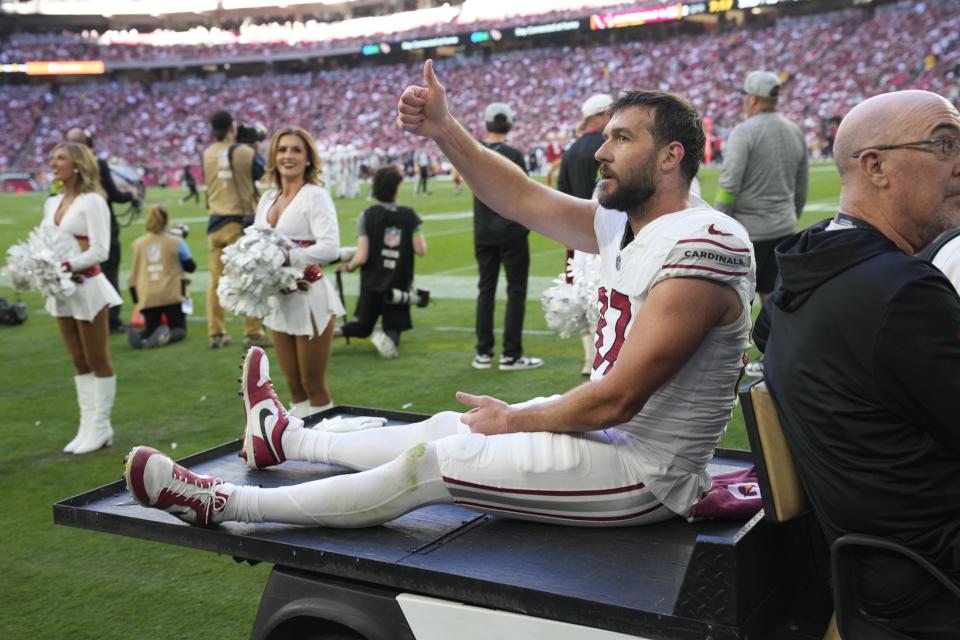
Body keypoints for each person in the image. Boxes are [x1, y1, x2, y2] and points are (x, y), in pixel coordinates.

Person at [123, 61, 756, 534]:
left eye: (621, 138)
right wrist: (444, 129)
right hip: (615, 437)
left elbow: (619, 398)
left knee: (435, 461)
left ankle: (224, 505)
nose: (600, 150)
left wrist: (514, 418)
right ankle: (285, 440)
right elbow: (522, 198)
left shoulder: (704, 242)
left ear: (671, 155)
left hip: (646, 474)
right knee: (448, 425)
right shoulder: (631, 221)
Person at [754, 90, 960, 638]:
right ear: (876, 167)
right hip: (931, 579)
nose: (959, 161)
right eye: (945, 144)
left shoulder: (806, 268)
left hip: (864, 569)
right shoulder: (902, 292)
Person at [714, 71, 807, 377]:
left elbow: (730, 182)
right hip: (782, 225)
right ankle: (779, 356)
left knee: (738, 299)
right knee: (776, 297)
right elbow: (801, 182)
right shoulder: (794, 130)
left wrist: (718, 220)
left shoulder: (744, 132)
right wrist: (791, 213)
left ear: (752, 98)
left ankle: (733, 360)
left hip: (749, 231)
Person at [252, 126, 343, 419]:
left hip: (310, 297)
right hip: (279, 299)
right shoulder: (267, 198)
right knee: (292, 385)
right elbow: (257, 241)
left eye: (295, 150)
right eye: (282, 150)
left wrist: (288, 256)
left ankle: (328, 450)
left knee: (312, 383)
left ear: (308, 159)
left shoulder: (315, 195)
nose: (287, 156)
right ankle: (303, 451)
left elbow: (331, 248)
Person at [44, 142, 122, 455]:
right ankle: (86, 425)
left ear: (77, 164)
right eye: (52, 157)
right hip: (61, 290)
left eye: (60, 158)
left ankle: (102, 425)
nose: (53, 162)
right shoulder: (52, 203)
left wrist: (66, 265)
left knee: (96, 357)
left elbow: (100, 250)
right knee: (77, 359)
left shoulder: (93, 201)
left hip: (88, 287)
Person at [471, 102, 542, 371]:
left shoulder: (475, 153)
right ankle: (511, 354)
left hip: (484, 231)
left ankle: (483, 352)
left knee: (485, 290)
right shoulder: (513, 153)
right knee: (516, 291)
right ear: (509, 125)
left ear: (487, 124)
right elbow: (525, 193)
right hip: (511, 231)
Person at [336, 164, 427, 359]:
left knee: (362, 326)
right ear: (397, 188)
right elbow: (421, 250)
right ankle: (386, 339)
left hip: (372, 283)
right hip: (399, 285)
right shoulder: (410, 215)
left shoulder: (366, 215)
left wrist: (347, 267)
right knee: (394, 329)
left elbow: (361, 257)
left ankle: (327, 333)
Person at [202, 110, 271, 349]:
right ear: (232, 127)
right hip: (238, 222)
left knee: (215, 281)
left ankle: (216, 332)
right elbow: (267, 175)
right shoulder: (245, 152)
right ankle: (253, 331)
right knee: (249, 278)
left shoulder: (207, 153)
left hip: (214, 222)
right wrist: (256, 149)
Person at [557, 93, 613, 375]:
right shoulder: (609, 146)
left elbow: (561, 196)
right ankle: (608, 353)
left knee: (583, 294)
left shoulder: (571, 150)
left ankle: (589, 356)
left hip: (578, 234)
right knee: (610, 294)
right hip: (608, 231)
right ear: (600, 115)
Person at [65, 127, 139, 335]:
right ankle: (112, 320)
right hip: (102, 227)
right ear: (89, 142)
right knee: (108, 272)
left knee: (81, 272)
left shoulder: (66, 166)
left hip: (76, 229)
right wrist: (131, 195)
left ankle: (83, 315)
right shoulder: (97, 164)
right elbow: (112, 195)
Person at [127, 206, 196, 349]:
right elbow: (191, 266)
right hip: (172, 294)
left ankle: (142, 337)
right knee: (178, 329)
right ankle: (165, 337)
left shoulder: (138, 244)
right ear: (166, 221)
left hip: (147, 295)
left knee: (150, 328)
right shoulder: (176, 242)